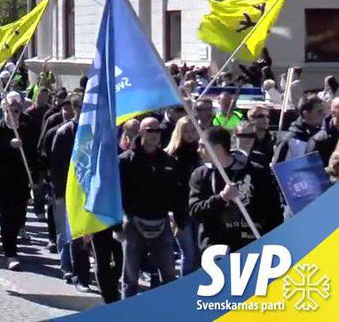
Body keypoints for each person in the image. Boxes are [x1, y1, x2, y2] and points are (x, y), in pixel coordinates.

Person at [118, 118, 185, 298]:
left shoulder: (169, 161)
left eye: (157, 131)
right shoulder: (125, 161)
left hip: (161, 222)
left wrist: (180, 221)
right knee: (130, 275)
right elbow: (117, 194)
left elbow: (177, 195)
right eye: (150, 130)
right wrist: (117, 226)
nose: (154, 135)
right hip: (133, 222)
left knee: (169, 273)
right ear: (141, 132)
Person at [189, 127, 283, 252]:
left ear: (218, 148)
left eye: (202, 146)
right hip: (215, 246)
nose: (198, 150)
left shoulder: (256, 172)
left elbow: (273, 210)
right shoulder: (201, 175)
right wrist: (222, 198)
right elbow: (195, 211)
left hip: (252, 244)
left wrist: (272, 239)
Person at [48, 94, 90, 289]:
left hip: (87, 189)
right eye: (81, 107)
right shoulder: (64, 132)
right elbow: (56, 165)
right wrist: (58, 192)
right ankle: (67, 267)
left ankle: (83, 270)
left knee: (84, 232)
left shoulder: (93, 130)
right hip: (67, 189)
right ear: (75, 109)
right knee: (66, 231)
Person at [0, 93, 36, 270]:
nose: (13, 114)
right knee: (7, 216)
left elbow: (32, 153)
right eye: (10, 110)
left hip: (22, 180)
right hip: (3, 180)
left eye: (16, 111)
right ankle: (10, 253)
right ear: (4, 110)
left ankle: (13, 242)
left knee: (18, 216)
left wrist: (35, 175)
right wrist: (8, 145)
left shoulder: (26, 128)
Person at [163, 115, 202, 277]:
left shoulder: (201, 153)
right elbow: (166, 188)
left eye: (193, 130)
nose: (190, 134)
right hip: (180, 211)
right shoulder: (170, 156)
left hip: (199, 207)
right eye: (186, 131)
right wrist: (170, 212)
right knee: (188, 253)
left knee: (200, 252)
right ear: (179, 132)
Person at [273, 95, 331, 166]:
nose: (324, 114)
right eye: (319, 111)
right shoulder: (290, 140)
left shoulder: (323, 137)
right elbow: (278, 169)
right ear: (306, 113)